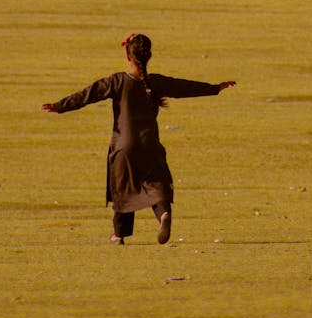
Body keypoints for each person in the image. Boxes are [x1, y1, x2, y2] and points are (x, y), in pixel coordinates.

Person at [42, 33, 236, 245]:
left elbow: (89, 94)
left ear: (128, 56)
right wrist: (215, 88)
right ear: (149, 56)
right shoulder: (157, 82)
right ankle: (163, 215)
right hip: (150, 145)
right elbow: (184, 87)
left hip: (123, 146)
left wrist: (60, 106)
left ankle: (119, 235)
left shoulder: (117, 81)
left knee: (123, 188)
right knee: (156, 184)